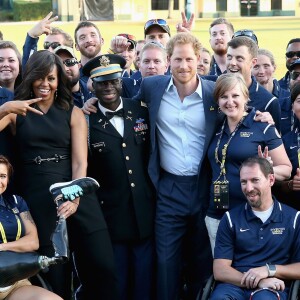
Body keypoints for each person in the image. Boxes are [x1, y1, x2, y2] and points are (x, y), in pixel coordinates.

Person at [0, 50, 118, 300]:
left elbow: (79, 161)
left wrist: (74, 197)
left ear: (58, 81)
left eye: (51, 79)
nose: (45, 84)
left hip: (74, 190)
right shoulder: (15, 112)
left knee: (101, 260)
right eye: (40, 77)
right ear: (30, 77)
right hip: (37, 195)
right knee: (53, 268)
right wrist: (5, 108)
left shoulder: (73, 112)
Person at [133, 32, 219, 300]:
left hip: (204, 185)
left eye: (189, 59)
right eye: (178, 59)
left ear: (199, 60)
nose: (183, 66)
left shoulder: (213, 91)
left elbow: (239, 104)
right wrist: (91, 102)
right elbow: (125, 104)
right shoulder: (153, 87)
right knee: (166, 261)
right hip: (168, 188)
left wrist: (262, 116)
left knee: (202, 261)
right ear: (168, 60)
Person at [83, 54, 156, 300]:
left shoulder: (141, 110)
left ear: (121, 80)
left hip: (144, 212)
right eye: (101, 82)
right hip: (111, 216)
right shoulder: (85, 120)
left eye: (113, 81)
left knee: (145, 281)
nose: (108, 87)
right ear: (92, 85)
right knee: (118, 282)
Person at [204, 73, 292, 252]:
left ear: (246, 97)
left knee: (249, 271)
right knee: (223, 271)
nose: (230, 102)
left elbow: (286, 169)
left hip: (250, 214)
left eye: (235, 95)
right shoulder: (213, 125)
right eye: (224, 96)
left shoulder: (263, 126)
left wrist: (267, 168)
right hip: (216, 214)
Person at [210, 157, 300, 300]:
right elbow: (220, 270)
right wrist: (258, 281)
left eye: (255, 180)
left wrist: (268, 270)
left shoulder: (294, 218)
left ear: (271, 180)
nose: (249, 188)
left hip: (271, 288)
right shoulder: (230, 218)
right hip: (233, 285)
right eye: (244, 182)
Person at [0, 155, 63, 300]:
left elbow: (33, 242)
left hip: (14, 282)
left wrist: (2, 247)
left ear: (8, 179)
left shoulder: (16, 202)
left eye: (2, 176)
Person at [226, 36, 282, 132]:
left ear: (253, 62)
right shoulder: (214, 89)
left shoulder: (269, 102)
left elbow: (276, 142)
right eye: (229, 57)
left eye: (239, 58)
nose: (232, 63)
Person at [274, 82, 300, 211]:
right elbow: (276, 185)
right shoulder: (285, 141)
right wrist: (290, 184)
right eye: (299, 101)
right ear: (293, 106)